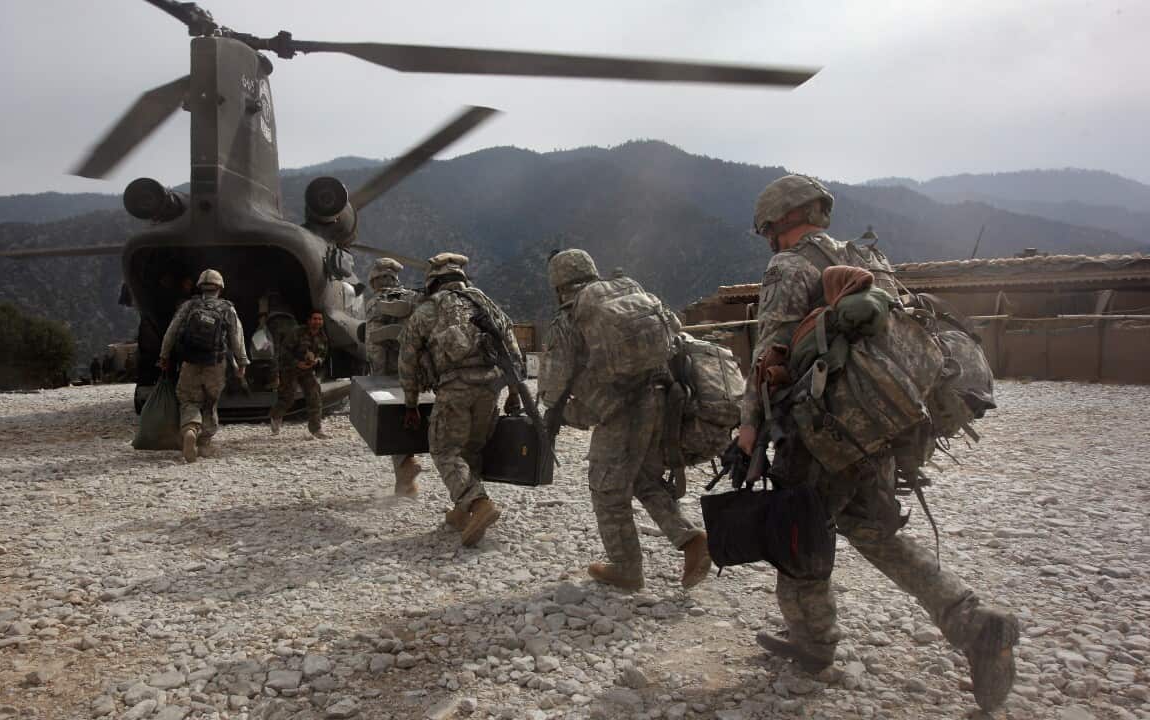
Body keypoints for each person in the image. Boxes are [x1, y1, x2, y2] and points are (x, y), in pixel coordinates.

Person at [737, 174, 1018, 712]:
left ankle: (813, 644)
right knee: (876, 532)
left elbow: (768, 359)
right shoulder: (864, 260)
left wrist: (749, 426)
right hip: (883, 430)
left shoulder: (787, 268)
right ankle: (974, 623)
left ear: (774, 223)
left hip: (824, 435)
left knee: (796, 534)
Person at [538, 249, 710, 591]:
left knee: (607, 489)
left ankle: (626, 567)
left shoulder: (573, 317)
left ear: (558, 286)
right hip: (661, 398)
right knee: (644, 479)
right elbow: (674, 330)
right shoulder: (631, 293)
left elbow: (553, 383)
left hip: (618, 411)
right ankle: (692, 542)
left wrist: (559, 412)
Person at [398, 253, 521, 547]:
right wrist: (514, 393)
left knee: (444, 450)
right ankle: (460, 512)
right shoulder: (486, 303)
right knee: (471, 451)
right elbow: (513, 349)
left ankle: (479, 505)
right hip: (490, 389)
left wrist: (411, 402)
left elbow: (408, 359)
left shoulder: (428, 310)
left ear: (433, 280)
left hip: (454, 388)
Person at [158, 269, 248, 463]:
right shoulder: (227, 308)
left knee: (188, 399)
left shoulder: (189, 306)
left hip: (190, 362)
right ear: (220, 288)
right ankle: (205, 443)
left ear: (200, 286)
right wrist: (242, 362)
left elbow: (171, 331)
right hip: (216, 364)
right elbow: (236, 337)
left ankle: (190, 428)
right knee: (210, 401)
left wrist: (164, 355)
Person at [364, 258, 425, 496]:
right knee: (412, 417)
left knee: (391, 421)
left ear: (377, 281)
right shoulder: (412, 298)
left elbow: (373, 343)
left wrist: (376, 377)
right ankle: (406, 483)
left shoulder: (376, 303)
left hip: (389, 374)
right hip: (416, 373)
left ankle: (405, 468)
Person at [270, 310, 329, 439]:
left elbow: (323, 355)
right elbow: (284, 351)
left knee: (315, 397)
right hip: (289, 369)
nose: (317, 322)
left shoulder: (322, 337)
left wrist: (316, 361)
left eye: (320, 319)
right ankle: (276, 416)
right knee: (288, 397)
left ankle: (316, 429)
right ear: (309, 321)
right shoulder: (297, 333)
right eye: (315, 319)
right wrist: (296, 363)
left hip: (307, 370)